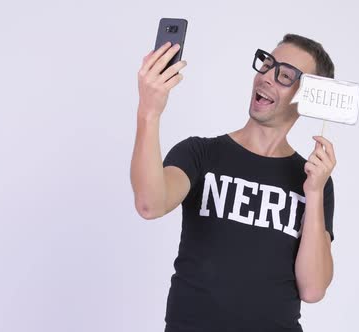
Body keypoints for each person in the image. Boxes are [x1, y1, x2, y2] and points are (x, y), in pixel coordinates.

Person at [131, 33, 337, 332]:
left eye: (285, 75)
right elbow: (150, 204)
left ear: (310, 96)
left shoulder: (313, 181)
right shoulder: (200, 153)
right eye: (267, 64)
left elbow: (313, 289)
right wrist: (149, 112)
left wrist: (315, 192)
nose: (267, 77)